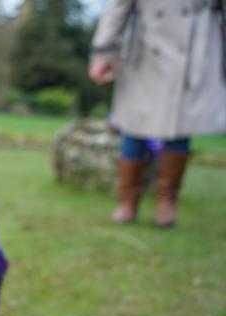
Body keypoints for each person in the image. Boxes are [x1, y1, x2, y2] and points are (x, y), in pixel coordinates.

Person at [89, 0, 226, 227]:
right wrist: (103, 52)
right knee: (133, 125)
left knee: (180, 127)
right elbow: (118, 7)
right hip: (147, 46)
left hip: (196, 48)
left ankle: (167, 201)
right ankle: (127, 201)